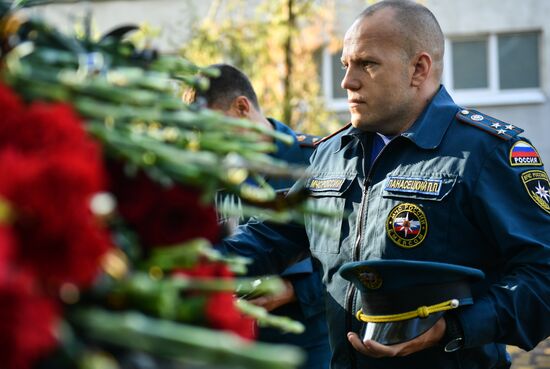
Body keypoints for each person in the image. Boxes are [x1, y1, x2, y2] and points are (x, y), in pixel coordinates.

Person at [219, 1, 550, 368]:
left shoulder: (485, 153)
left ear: (418, 69)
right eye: (346, 65)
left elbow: (542, 276)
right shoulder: (332, 153)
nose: (347, 81)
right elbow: (272, 235)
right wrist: (183, 264)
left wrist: (453, 328)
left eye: (367, 64)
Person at [186, 64, 331, 369]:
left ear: (242, 107)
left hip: (306, 342)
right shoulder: (213, 175)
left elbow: (348, 255)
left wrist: (296, 291)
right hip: (234, 345)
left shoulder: (319, 159)